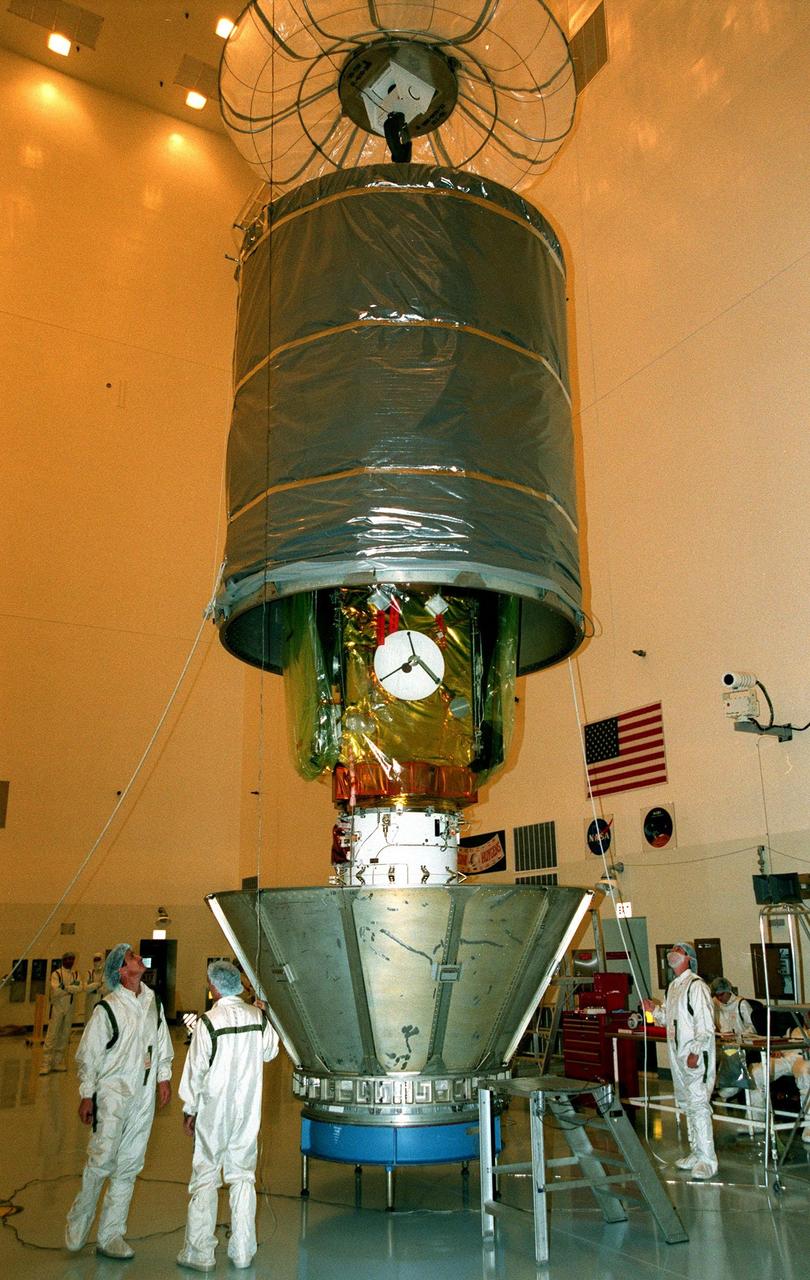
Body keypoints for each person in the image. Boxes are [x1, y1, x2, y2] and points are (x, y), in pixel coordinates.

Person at [65, 944, 173, 1259]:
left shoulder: (153, 1002)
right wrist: (88, 1094)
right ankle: (78, 1225)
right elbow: (89, 1056)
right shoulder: (107, 1009)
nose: (139, 959)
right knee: (100, 1163)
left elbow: (161, 1040)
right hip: (111, 1093)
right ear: (121, 972)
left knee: (129, 1165)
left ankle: (111, 1236)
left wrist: (163, 1076)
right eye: (132, 958)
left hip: (143, 1094)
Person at [177, 959, 279, 1273]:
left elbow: (195, 1071)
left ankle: (200, 1253)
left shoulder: (207, 1023)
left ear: (215, 986)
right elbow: (270, 1052)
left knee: (206, 1175)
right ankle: (243, 1250)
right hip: (247, 1111)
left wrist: (189, 1109)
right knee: (243, 1177)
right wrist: (263, 1015)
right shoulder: (257, 1018)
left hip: (213, 1111)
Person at [643, 942, 718, 1178]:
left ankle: (708, 1160)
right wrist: (653, 1010)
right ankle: (696, 1152)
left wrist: (696, 1051)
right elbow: (669, 1018)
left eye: (679, 950)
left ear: (689, 958)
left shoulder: (697, 986)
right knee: (687, 1104)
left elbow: (705, 1024)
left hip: (696, 1055)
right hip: (678, 1055)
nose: (672, 953)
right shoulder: (674, 987)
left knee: (698, 1105)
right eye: (672, 949)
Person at [747, 1025, 810, 1144]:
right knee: (757, 1072)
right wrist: (778, 1050)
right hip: (788, 1058)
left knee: (806, 1074)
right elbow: (785, 1044)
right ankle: (757, 1120)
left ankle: (809, 1125)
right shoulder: (794, 1029)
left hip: (806, 1060)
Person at [40, 951, 83, 1074]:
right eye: (68, 959)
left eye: (72, 959)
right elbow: (56, 990)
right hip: (58, 1008)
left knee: (64, 1035)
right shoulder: (56, 974)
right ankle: (45, 1063)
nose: (70, 961)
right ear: (63, 960)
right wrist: (70, 989)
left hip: (69, 1008)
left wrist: (65, 988)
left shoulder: (75, 974)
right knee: (52, 1034)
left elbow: (79, 988)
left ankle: (57, 1061)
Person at [84, 952, 106, 1024]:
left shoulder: (105, 973)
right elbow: (85, 988)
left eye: (98, 959)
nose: (96, 962)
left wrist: (92, 986)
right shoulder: (89, 973)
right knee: (89, 1021)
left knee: (101, 1022)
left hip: (102, 1000)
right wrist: (98, 984)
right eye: (95, 960)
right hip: (90, 1001)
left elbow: (104, 989)